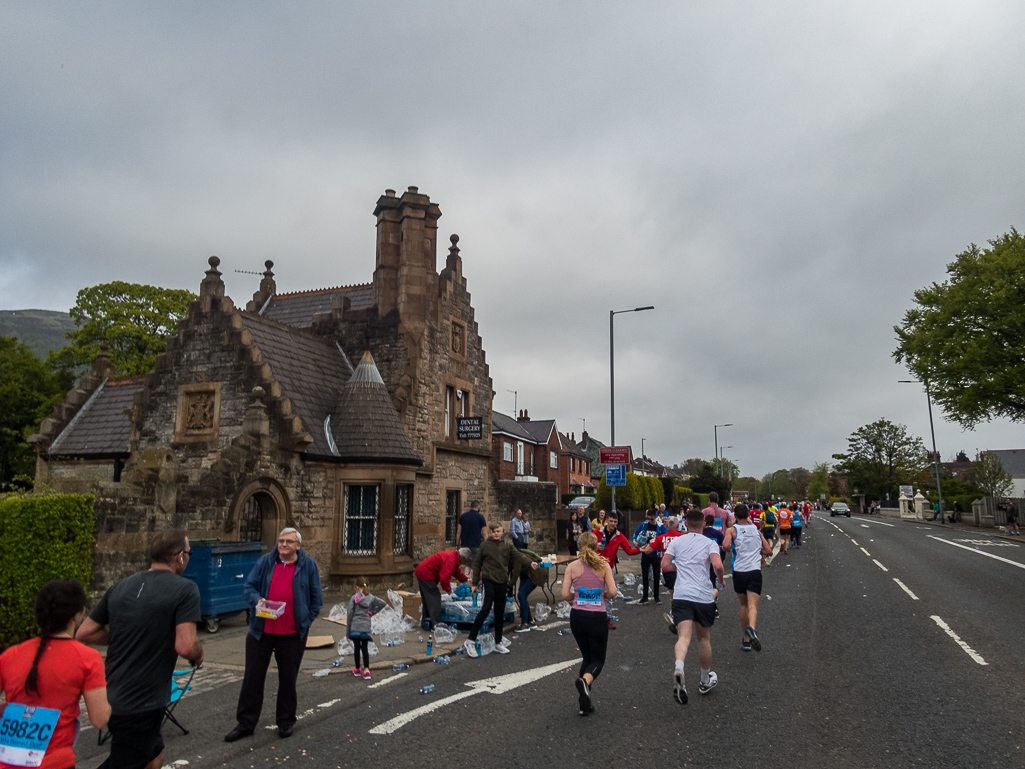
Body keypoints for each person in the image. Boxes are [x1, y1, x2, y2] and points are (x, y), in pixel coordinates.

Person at [77, 530, 203, 769]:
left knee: (154, 759)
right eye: (189, 552)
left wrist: (128, 633)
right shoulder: (185, 589)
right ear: (180, 557)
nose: (188, 557)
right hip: (141, 704)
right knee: (125, 762)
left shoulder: (120, 586)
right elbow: (186, 645)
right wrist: (199, 654)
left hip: (112, 696)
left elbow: (85, 632)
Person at [225, 528, 322, 742]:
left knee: (288, 679)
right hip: (261, 632)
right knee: (252, 678)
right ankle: (246, 723)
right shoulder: (265, 562)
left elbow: (317, 599)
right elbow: (248, 586)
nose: (283, 545)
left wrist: (305, 620)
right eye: (280, 541)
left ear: (298, 545)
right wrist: (257, 600)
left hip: (292, 634)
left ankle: (286, 721)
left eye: (288, 542)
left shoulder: (308, 566)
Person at [1, 579, 110, 769]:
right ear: (77, 616)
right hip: (56, 762)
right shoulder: (88, 658)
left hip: (9, 761)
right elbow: (99, 719)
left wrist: (12, 710)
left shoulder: (11, 655)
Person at [661, 509, 723, 704]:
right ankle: (705, 680)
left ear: (685, 523)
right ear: (703, 523)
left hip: (681, 595)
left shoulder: (677, 541)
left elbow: (665, 563)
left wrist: (679, 567)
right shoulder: (709, 543)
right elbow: (718, 566)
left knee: (684, 637)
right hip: (703, 596)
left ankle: (679, 668)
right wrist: (720, 580)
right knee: (704, 638)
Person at [561, 531, 617, 716]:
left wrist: (575, 598)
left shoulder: (572, 566)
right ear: (596, 545)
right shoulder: (604, 565)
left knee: (586, 657)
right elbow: (613, 592)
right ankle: (585, 682)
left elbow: (565, 595)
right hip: (597, 617)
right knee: (598, 660)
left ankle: (584, 704)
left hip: (577, 616)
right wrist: (602, 596)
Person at [465, 523, 537, 657]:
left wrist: (530, 563)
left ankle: (498, 642)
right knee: (485, 609)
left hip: (502, 581)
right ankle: (470, 640)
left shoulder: (508, 545)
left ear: (502, 532)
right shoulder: (485, 545)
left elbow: (518, 556)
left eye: (498, 531)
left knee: (500, 612)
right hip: (489, 580)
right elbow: (477, 563)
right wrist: (474, 583)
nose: (495, 533)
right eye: (493, 532)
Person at [721, 504, 772, 652]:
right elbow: (768, 550)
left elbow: (725, 546)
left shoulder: (732, 530)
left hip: (739, 571)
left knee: (743, 605)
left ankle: (746, 640)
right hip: (754, 570)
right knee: (753, 606)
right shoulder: (756, 530)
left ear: (735, 515)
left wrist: (732, 546)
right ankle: (753, 629)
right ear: (748, 515)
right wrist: (757, 549)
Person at [415, 548, 471, 630]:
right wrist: (450, 592)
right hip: (425, 574)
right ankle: (437, 624)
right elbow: (444, 579)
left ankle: (426, 622)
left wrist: (467, 581)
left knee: (428, 600)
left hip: (422, 572)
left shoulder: (454, 558)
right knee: (435, 597)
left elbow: (457, 573)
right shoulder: (451, 560)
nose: (464, 563)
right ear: (462, 557)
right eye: (465, 561)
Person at [346, 578, 386, 681]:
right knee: (364, 648)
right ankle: (367, 670)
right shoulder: (372, 598)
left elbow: (350, 614)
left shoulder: (353, 598)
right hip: (365, 627)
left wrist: (348, 632)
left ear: (357, 587)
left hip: (355, 626)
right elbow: (383, 603)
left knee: (356, 648)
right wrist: (371, 613)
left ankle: (357, 669)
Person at [632, 508, 667, 604]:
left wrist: (657, 541)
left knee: (656, 576)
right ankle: (645, 597)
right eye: (648, 519)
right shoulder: (644, 525)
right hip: (645, 553)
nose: (650, 521)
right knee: (645, 575)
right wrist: (635, 541)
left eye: (652, 519)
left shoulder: (661, 526)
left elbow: (666, 537)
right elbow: (635, 534)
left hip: (656, 554)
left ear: (656, 517)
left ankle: (656, 597)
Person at [643, 516, 684, 594]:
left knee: (672, 590)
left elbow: (647, 551)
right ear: (678, 526)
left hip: (667, 568)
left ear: (667, 526)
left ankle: (673, 602)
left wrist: (652, 542)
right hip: (681, 568)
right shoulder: (683, 538)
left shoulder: (661, 538)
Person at [702, 513, 726, 611]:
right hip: (715, 559)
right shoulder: (718, 533)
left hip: (703, 560)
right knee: (713, 583)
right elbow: (725, 546)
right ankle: (714, 605)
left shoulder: (702, 532)